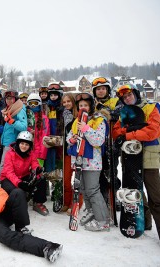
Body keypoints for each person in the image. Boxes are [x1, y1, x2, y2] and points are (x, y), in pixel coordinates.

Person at [113, 84, 160, 246]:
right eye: (124, 97)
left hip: (149, 154)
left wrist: (128, 134)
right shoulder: (124, 113)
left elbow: (153, 131)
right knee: (136, 190)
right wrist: (128, 132)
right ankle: (145, 222)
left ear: (135, 93)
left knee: (154, 192)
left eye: (129, 95)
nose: (127, 98)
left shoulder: (151, 107)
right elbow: (116, 131)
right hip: (130, 155)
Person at [0, 171, 63, 263]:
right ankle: (46, 247)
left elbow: (3, 197)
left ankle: (20, 226)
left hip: (2, 212)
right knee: (7, 237)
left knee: (18, 193)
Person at [66, 93, 110, 231]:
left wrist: (86, 128)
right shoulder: (76, 120)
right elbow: (68, 138)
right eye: (80, 106)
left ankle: (103, 220)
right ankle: (92, 211)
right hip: (79, 160)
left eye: (85, 105)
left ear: (91, 106)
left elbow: (98, 140)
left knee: (92, 190)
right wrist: (72, 139)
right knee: (84, 189)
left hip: (93, 162)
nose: (83, 108)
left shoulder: (99, 120)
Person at [91, 77, 123, 210]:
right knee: (99, 173)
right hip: (97, 144)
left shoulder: (116, 101)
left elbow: (117, 114)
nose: (101, 91)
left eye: (103, 88)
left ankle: (114, 196)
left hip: (112, 142)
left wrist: (102, 108)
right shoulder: (92, 103)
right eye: (98, 89)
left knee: (111, 172)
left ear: (108, 90)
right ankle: (103, 196)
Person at [0, 131, 48, 215]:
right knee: (17, 191)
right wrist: (19, 183)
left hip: (23, 175)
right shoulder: (10, 154)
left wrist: (37, 169)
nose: (24, 146)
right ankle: (15, 206)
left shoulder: (30, 154)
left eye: (27, 144)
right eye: (22, 143)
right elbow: (9, 172)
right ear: (18, 143)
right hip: (8, 179)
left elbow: (34, 164)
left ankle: (38, 203)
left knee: (41, 179)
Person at [61, 93, 83, 213]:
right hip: (66, 151)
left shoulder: (78, 115)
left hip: (77, 151)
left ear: (73, 102)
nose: (66, 104)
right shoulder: (63, 115)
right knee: (66, 179)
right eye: (64, 102)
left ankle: (75, 203)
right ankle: (66, 201)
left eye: (68, 101)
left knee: (77, 179)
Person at [0, 90, 27, 171]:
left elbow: (23, 127)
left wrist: (12, 121)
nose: (9, 100)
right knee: (6, 165)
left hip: (13, 143)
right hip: (7, 141)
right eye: (7, 99)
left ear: (15, 99)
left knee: (4, 166)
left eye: (11, 98)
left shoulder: (19, 109)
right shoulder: (9, 109)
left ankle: (3, 182)